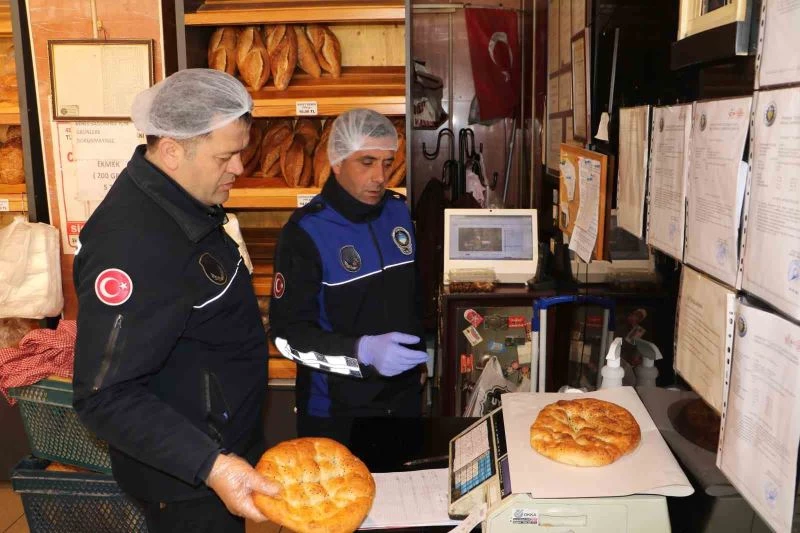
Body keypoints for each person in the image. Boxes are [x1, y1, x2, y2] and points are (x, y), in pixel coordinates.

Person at [72, 69, 279, 533]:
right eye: (226, 156)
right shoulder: (133, 244)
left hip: (216, 452)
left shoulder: (184, 203)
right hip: (187, 481)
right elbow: (104, 396)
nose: (240, 169)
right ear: (171, 151)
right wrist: (213, 465)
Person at [269, 109, 429, 439]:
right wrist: (361, 351)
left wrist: (419, 362)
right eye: (366, 162)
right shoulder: (306, 233)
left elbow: (411, 299)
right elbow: (287, 338)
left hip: (404, 403)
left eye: (387, 162)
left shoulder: (398, 213)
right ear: (338, 161)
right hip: (337, 414)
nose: (380, 177)